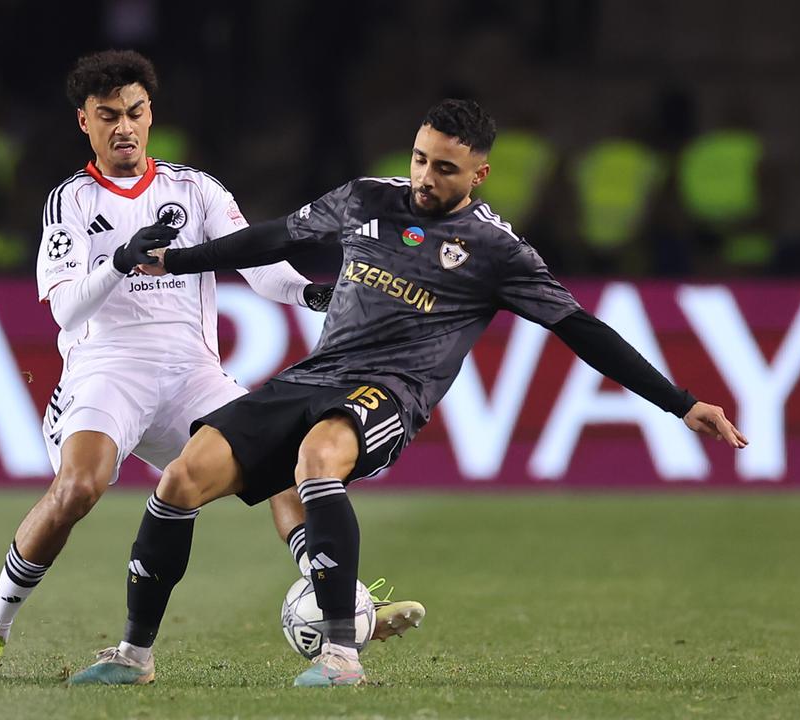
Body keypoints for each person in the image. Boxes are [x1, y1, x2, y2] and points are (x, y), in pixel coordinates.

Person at [68, 99, 748, 688]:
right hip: (316, 374)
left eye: (445, 168)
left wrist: (679, 402)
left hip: (390, 394)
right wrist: (177, 259)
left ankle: (339, 656)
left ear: (479, 174)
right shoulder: (367, 198)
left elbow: (581, 329)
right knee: (182, 478)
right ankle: (134, 655)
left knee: (318, 457)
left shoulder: (497, 251)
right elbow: (278, 235)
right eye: (422, 159)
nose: (425, 177)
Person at [0, 50, 423, 681]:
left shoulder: (195, 190)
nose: (124, 127)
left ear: (151, 115)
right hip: (107, 368)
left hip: (191, 372)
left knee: (286, 472)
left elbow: (259, 266)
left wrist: (310, 293)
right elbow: (66, 311)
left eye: (135, 112)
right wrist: (119, 260)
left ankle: (346, 603)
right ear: (84, 123)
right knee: (79, 488)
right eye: (108, 115)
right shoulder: (70, 202)